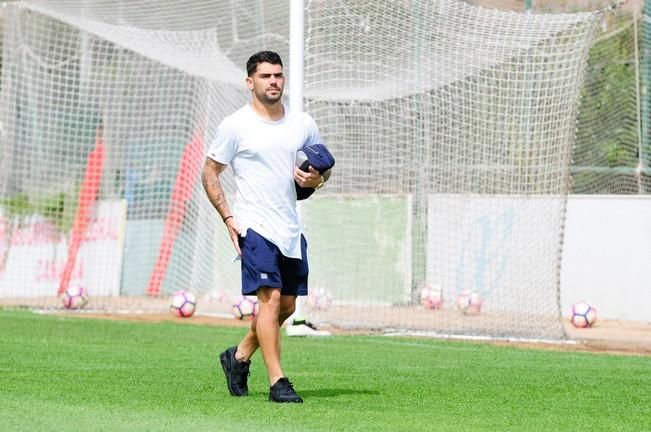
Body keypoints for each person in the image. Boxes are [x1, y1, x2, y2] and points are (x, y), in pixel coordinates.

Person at [201, 50, 331, 403]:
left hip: (289, 225)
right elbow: (210, 171)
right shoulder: (235, 125)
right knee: (270, 301)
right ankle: (278, 381)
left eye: (278, 75)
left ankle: (239, 356)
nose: (273, 81)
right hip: (253, 225)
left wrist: (316, 178)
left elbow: (321, 169)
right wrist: (229, 218)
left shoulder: (302, 123)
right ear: (250, 82)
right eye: (265, 76)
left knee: (286, 307)